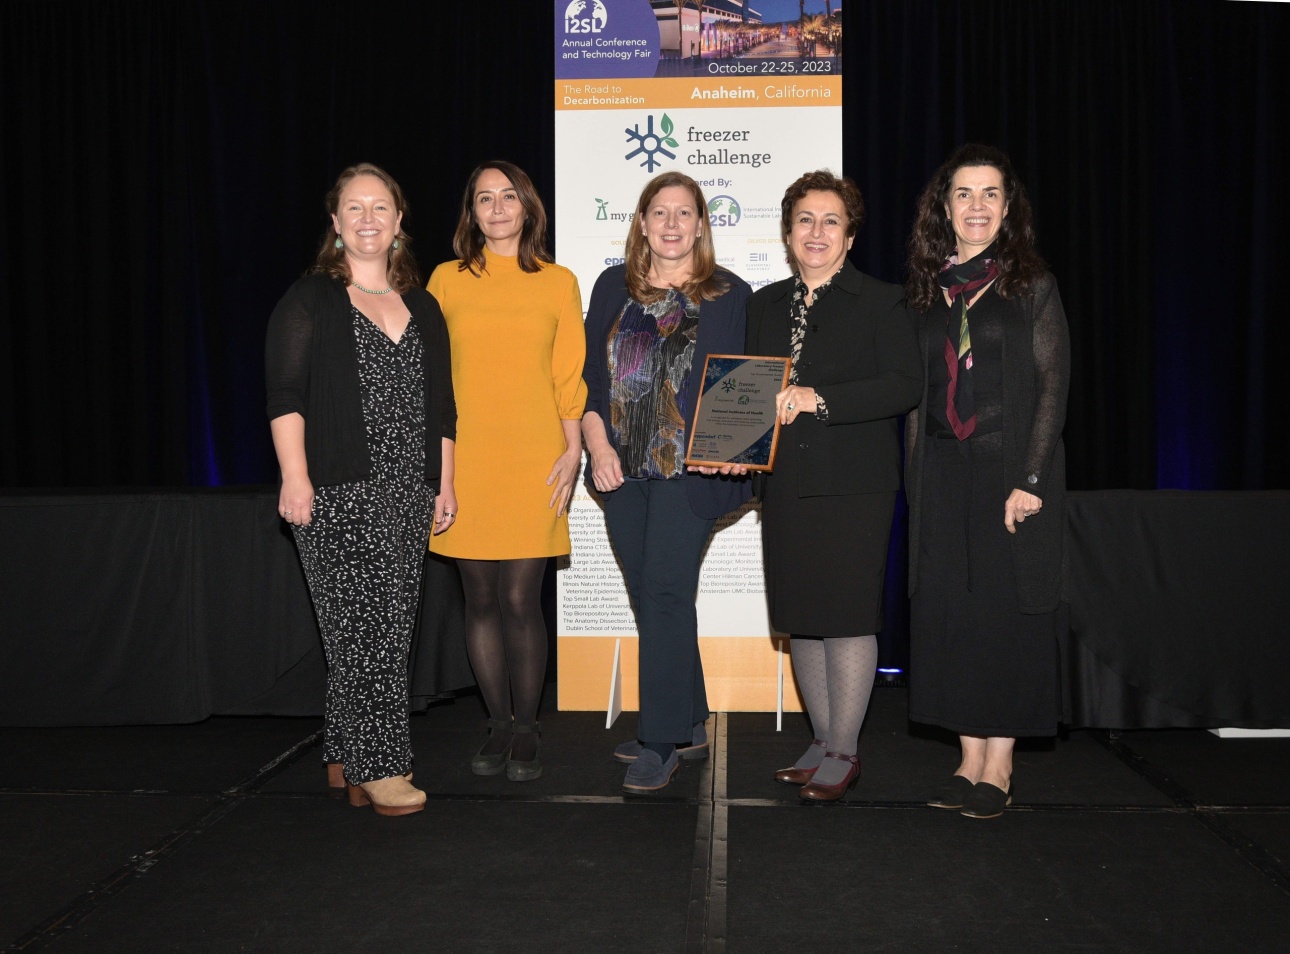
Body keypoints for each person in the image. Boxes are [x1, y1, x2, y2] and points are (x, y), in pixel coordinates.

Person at [265, 163, 457, 817]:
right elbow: (285, 394)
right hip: (338, 492)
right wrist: (295, 476)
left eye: (381, 207)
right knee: (364, 632)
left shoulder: (425, 306)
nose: (368, 217)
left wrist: (443, 485)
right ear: (336, 223)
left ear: (400, 222)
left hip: (408, 493)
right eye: (355, 208)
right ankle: (382, 768)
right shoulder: (310, 298)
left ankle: (344, 756)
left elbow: (444, 411)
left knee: (382, 631)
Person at [904, 143, 1071, 819]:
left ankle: (999, 764)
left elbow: (1055, 381)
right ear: (946, 208)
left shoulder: (1028, 284)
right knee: (951, 612)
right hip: (941, 470)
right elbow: (917, 393)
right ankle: (967, 756)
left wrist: (1030, 476)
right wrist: (913, 485)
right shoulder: (927, 289)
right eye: (964, 194)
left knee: (1003, 614)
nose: (977, 206)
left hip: (1009, 473)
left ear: (1009, 208)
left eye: (990, 194)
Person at [744, 170, 922, 802]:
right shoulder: (763, 304)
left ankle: (845, 751)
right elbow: (748, 395)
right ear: (788, 232)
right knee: (803, 619)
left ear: (849, 236)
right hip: (786, 484)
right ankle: (822, 742)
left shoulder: (882, 301)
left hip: (855, 486)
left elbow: (905, 384)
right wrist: (734, 448)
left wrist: (821, 399)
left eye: (831, 222)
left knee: (845, 617)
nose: (816, 233)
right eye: (805, 221)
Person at [582, 171, 751, 794]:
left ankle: (661, 742)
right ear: (643, 223)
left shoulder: (730, 293)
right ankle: (689, 718)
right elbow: (588, 383)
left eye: (685, 213)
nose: (672, 224)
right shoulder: (610, 287)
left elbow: (742, 384)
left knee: (664, 590)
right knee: (653, 594)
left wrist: (735, 447)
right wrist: (597, 447)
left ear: (701, 225)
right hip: (619, 468)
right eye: (661, 213)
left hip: (692, 473)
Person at [428, 161, 586, 783]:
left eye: (508, 197)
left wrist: (572, 452)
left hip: (535, 458)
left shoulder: (558, 281)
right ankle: (496, 720)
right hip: (465, 459)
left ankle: (528, 725)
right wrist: (437, 469)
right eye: (484, 199)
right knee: (481, 599)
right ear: (472, 212)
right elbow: (433, 382)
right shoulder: (444, 281)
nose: (497, 208)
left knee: (522, 598)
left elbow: (567, 374)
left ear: (528, 208)